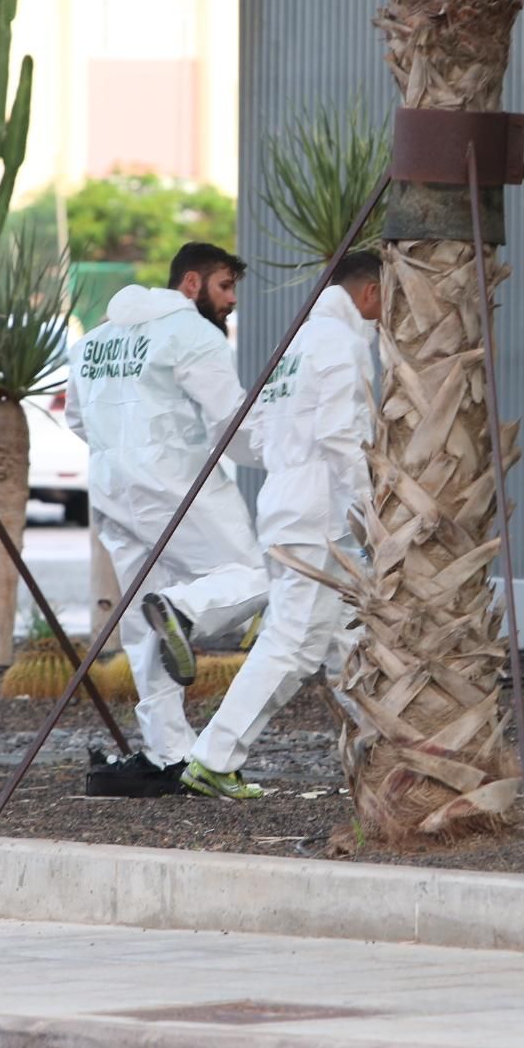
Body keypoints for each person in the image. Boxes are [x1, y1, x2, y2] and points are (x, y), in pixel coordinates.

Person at [64, 242, 267, 794]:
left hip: (112, 494)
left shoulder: (94, 342)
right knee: (255, 580)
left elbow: (78, 420)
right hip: (180, 484)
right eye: (225, 287)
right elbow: (233, 424)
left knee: (140, 626)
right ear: (192, 284)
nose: (230, 302)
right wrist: (287, 449)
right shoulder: (194, 334)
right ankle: (182, 609)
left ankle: (168, 755)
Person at [182, 253, 382, 800]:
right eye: (390, 299)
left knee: (349, 639)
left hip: (290, 505)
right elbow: (343, 435)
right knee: (292, 644)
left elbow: (261, 431)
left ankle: (388, 749)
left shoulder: (296, 341)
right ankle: (213, 758)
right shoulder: (341, 345)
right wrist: (372, 510)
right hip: (321, 516)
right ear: (369, 294)